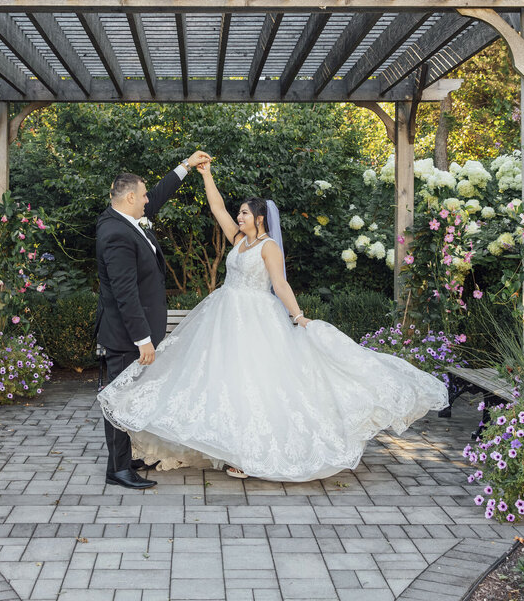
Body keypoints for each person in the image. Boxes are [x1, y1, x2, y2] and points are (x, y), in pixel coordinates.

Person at [98, 161, 449, 483]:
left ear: (260, 219)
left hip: (255, 323)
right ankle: (221, 446)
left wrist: (297, 316)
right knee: (222, 384)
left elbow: (280, 285)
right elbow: (216, 207)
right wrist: (206, 176)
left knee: (255, 384)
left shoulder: (269, 248)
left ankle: (248, 453)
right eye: (239, 213)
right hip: (222, 320)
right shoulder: (238, 242)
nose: (238, 217)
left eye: (245, 214)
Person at [95, 151, 210, 489]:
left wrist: (186, 166)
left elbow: (156, 196)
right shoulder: (116, 234)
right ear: (130, 197)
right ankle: (117, 470)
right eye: (143, 195)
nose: (148, 200)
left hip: (130, 332)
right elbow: (124, 293)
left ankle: (121, 459)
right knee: (117, 398)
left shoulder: (124, 219)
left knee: (126, 397)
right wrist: (142, 339)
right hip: (125, 335)